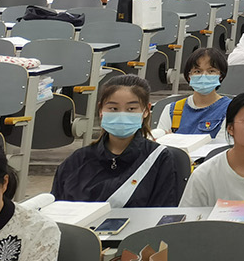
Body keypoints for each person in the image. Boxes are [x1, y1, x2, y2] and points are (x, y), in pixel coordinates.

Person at [52, 74, 186, 207]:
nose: (122, 115)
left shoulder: (158, 159)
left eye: (131, 109)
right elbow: (56, 211)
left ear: (146, 111)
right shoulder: (76, 161)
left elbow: (161, 212)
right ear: (101, 110)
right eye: (113, 108)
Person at [155, 47, 231, 137]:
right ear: (189, 76)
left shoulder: (231, 109)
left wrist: (174, 139)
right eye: (197, 71)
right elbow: (161, 142)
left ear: (221, 76)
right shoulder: (172, 110)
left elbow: (223, 143)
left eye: (211, 71)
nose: (204, 75)